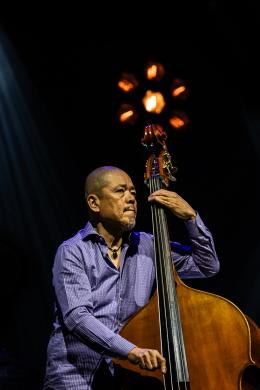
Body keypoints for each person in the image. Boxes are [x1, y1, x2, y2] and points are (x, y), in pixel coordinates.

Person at [43, 165, 220, 390]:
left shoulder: (148, 245)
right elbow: (77, 318)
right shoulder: (72, 251)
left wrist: (190, 218)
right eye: (120, 191)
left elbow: (207, 266)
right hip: (75, 378)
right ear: (94, 203)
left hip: (124, 377)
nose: (131, 199)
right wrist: (132, 351)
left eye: (134, 193)